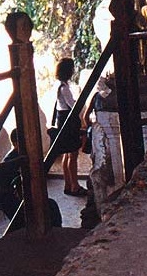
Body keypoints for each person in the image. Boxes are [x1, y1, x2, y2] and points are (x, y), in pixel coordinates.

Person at [52, 57, 87, 196]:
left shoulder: (59, 85)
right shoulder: (64, 88)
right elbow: (73, 106)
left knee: (67, 154)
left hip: (62, 121)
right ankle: (75, 186)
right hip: (68, 122)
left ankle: (68, 184)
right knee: (72, 154)